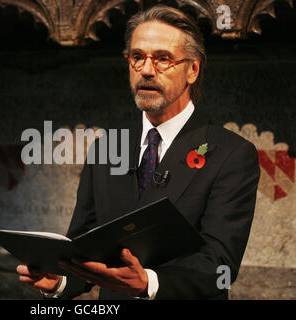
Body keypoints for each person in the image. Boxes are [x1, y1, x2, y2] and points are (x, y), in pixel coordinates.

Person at [16, 5, 260, 299]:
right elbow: (84, 247)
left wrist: (148, 283)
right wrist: (60, 281)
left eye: (162, 59)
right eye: (137, 57)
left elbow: (220, 266)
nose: (146, 70)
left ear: (192, 69)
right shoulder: (107, 147)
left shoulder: (231, 154)